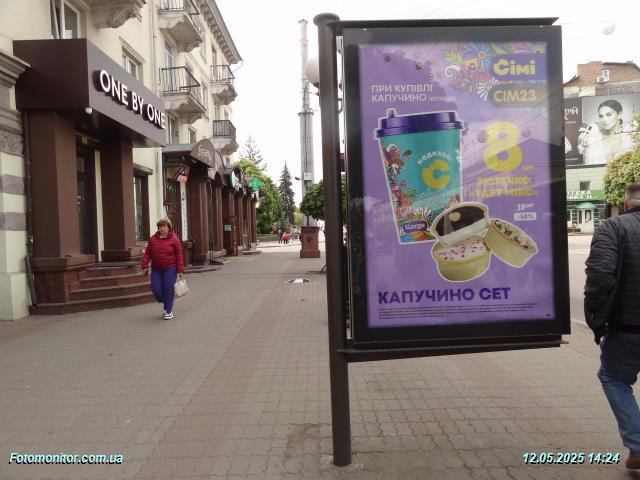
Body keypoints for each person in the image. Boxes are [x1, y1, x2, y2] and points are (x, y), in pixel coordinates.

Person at [584, 183, 640, 469]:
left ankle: (638, 447)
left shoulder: (613, 227)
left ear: (626, 203)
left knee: (614, 378)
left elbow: (601, 275)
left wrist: (595, 316)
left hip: (629, 328)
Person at [141, 218, 184, 320]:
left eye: (164, 226)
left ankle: (168, 311)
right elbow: (147, 253)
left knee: (168, 289)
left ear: (169, 228)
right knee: (155, 288)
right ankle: (166, 302)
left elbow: (179, 255)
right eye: (160, 226)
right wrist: (144, 265)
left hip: (170, 268)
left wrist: (180, 270)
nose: (162, 228)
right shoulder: (153, 239)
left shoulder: (174, 239)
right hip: (156, 269)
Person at [578, 99, 637, 165]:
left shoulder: (631, 137)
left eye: (609, 115)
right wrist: (584, 146)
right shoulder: (591, 139)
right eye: (601, 116)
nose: (604, 120)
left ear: (619, 114)